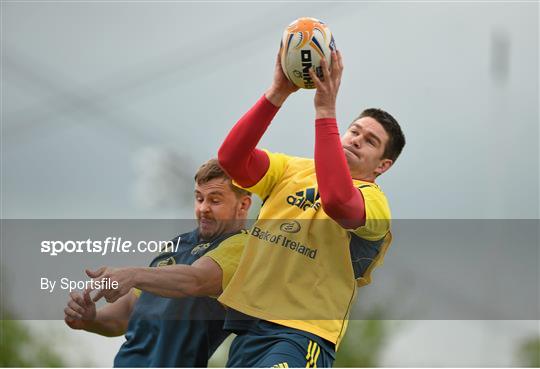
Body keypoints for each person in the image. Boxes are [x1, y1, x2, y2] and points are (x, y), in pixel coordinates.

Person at [215, 49, 405, 367]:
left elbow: (337, 201)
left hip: (302, 335)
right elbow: (232, 159)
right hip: (248, 329)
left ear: (383, 165)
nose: (357, 139)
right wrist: (277, 93)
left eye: (370, 141)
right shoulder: (292, 169)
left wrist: (325, 111)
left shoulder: (375, 204)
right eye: (354, 131)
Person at [63, 158, 252, 367]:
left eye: (215, 201)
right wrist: (90, 319)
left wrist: (133, 275)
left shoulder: (243, 246)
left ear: (243, 205)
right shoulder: (177, 244)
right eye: (199, 199)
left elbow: (196, 279)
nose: (204, 208)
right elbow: (127, 314)